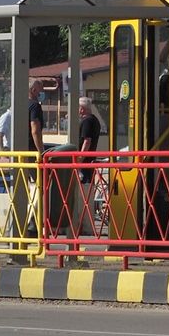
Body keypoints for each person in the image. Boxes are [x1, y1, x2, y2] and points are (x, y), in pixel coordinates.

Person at [72, 97, 103, 237]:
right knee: (87, 195)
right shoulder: (95, 120)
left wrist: (79, 159)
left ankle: (86, 227)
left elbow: (87, 141)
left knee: (83, 196)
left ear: (81, 109)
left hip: (84, 163)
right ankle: (86, 226)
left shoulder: (86, 121)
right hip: (90, 162)